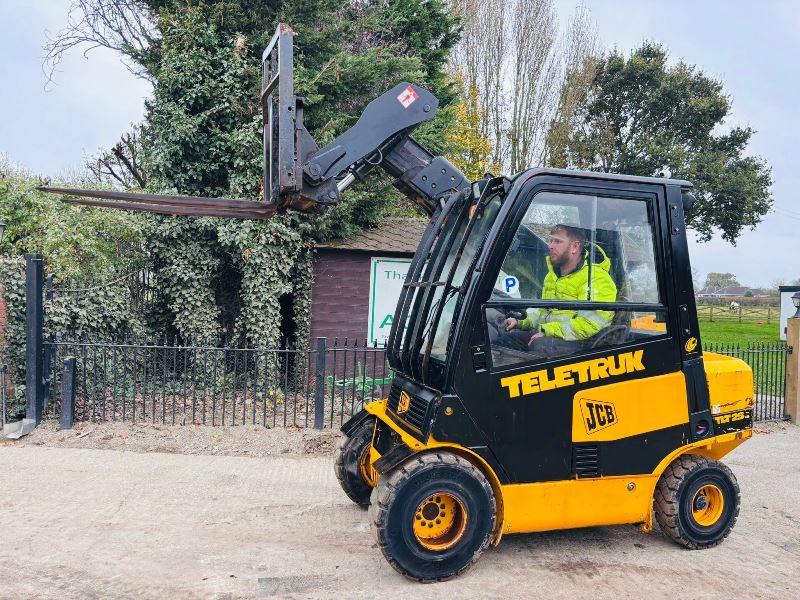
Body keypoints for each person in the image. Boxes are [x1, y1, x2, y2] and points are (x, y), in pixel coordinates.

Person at [501, 224, 617, 357]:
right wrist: (520, 323)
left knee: (538, 347)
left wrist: (547, 331)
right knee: (506, 340)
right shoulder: (552, 276)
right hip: (550, 336)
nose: (550, 246)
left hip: (581, 344)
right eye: (551, 240)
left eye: (558, 241)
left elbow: (590, 324)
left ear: (575, 247)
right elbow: (543, 313)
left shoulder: (596, 278)